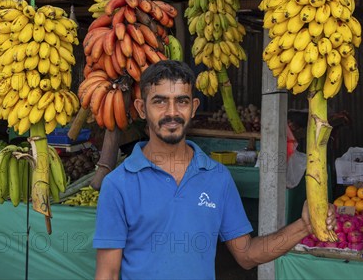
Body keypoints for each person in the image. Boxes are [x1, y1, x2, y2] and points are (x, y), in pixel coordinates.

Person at [94, 60, 335, 280]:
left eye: (181, 101)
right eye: (159, 101)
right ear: (141, 108)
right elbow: (108, 273)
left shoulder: (217, 177)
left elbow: (247, 255)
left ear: (194, 107)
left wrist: (304, 225)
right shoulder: (119, 184)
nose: (172, 112)